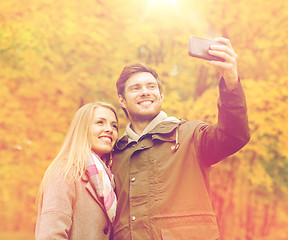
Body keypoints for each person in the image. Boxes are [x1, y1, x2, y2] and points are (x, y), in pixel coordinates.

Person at [111, 37, 250, 239]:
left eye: (151, 87)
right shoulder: (115, 154)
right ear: (122, 100)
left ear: (161, 96)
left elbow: (234, 135)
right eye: (135, 88)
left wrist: (230, 79)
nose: (145, 92)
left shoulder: (190, 135)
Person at [35, 102, 119, 240]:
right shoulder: (65, 172)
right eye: (100, 122)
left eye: (114, 125)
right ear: (82, 129)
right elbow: (51, 235)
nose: (109, 129)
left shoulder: (109, 180)